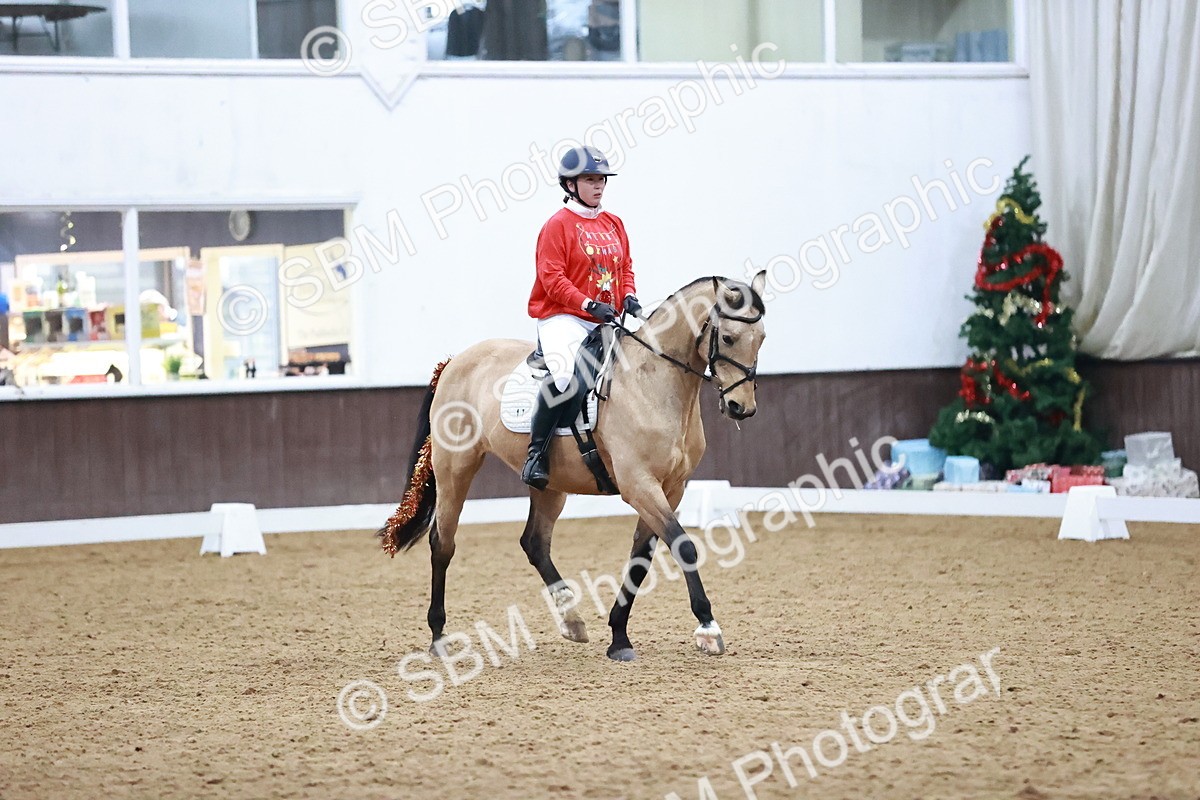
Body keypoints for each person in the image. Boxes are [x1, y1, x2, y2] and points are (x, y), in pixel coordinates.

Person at [521, 145, 641, 489]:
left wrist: (628, 295)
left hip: (605, 318)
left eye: (601, 179)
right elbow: (552, 278)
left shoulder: (613, 222)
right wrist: (588, 305)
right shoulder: (556, 226)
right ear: (571, 185)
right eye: (590, 179)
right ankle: (536, 455)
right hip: (563, 317)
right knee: (565, 380)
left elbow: (625, 267)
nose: (599, 185)